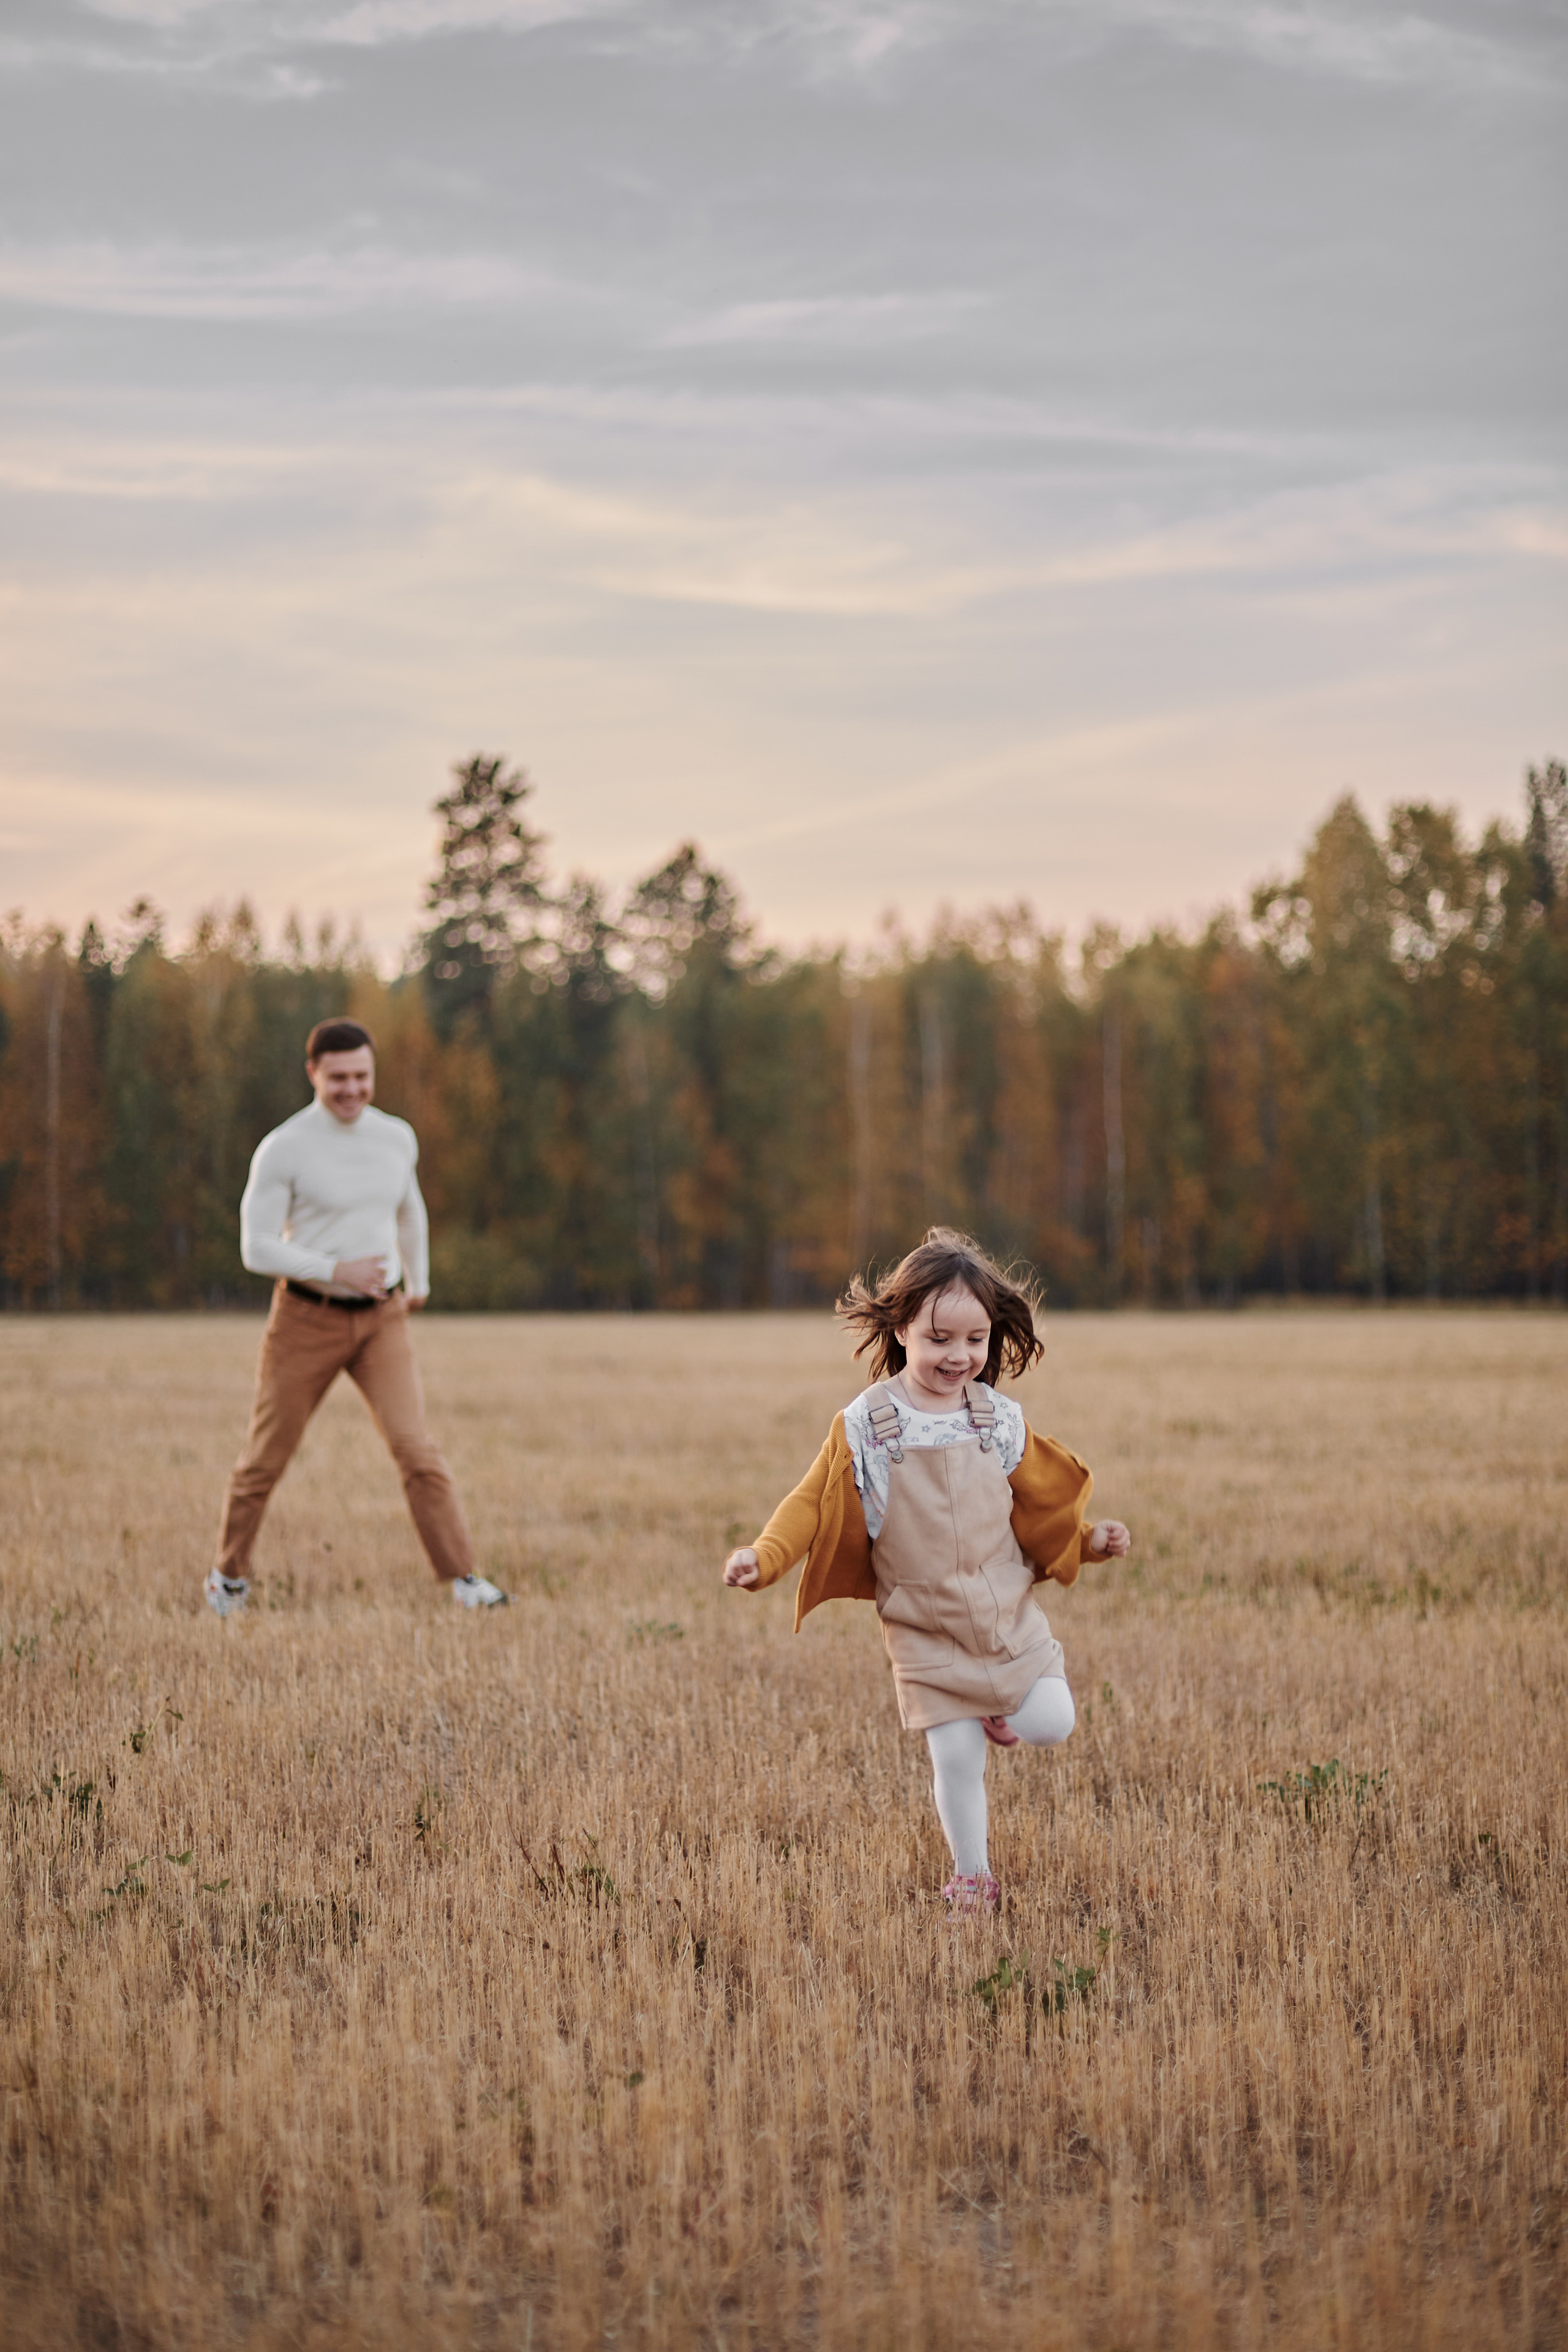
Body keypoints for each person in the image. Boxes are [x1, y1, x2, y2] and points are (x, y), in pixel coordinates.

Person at [723, 1227, 1130, 1917]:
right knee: (955, 1759)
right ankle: (972, 1878)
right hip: (920, 1626)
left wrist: (1088, 1543)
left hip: (1003, 1610)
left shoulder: (997, 1419)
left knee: (1053, 1721)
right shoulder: (865, 1423)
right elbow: (808, 1505)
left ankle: (1001, 1710)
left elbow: (1036, 1508)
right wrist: (762, 1558)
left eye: (975, 1340)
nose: (959, 1355)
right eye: (940, 1338)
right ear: (901, 1326)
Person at [205, 1017, 508, 1616]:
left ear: (374, 1074)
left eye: (362, 1077)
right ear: (313, 1073)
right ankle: (228, 1578)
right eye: (338, 1077)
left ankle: (464, 1579)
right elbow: (256, 1247)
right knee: (265, 1458)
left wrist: (416, 1281)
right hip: (304, 1318)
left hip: (381, 1322)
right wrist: (334, 1268)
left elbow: (409, 1210)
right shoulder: (284, 1147)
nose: (351, 1089)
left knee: (417, 1451)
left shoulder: (396, 1137)